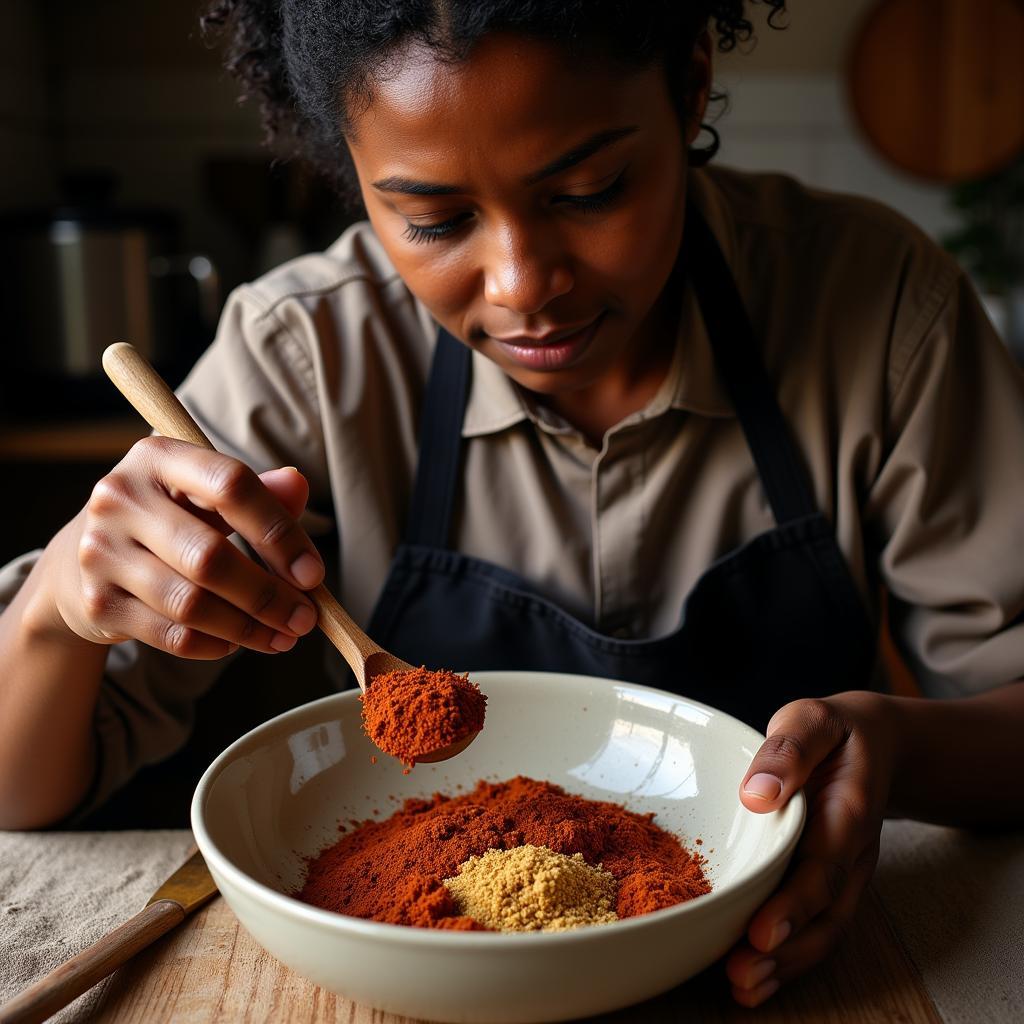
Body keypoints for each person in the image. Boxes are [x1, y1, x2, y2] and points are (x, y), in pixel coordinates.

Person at [1, 0, 1022, 1007]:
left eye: (589, 188)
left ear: (692, 80)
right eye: (434, 220)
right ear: (348, 172)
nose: (522, 284)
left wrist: (894, 746)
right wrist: (58, 612)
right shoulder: (302, 356)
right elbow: (20, 793)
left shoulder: (884, 306)